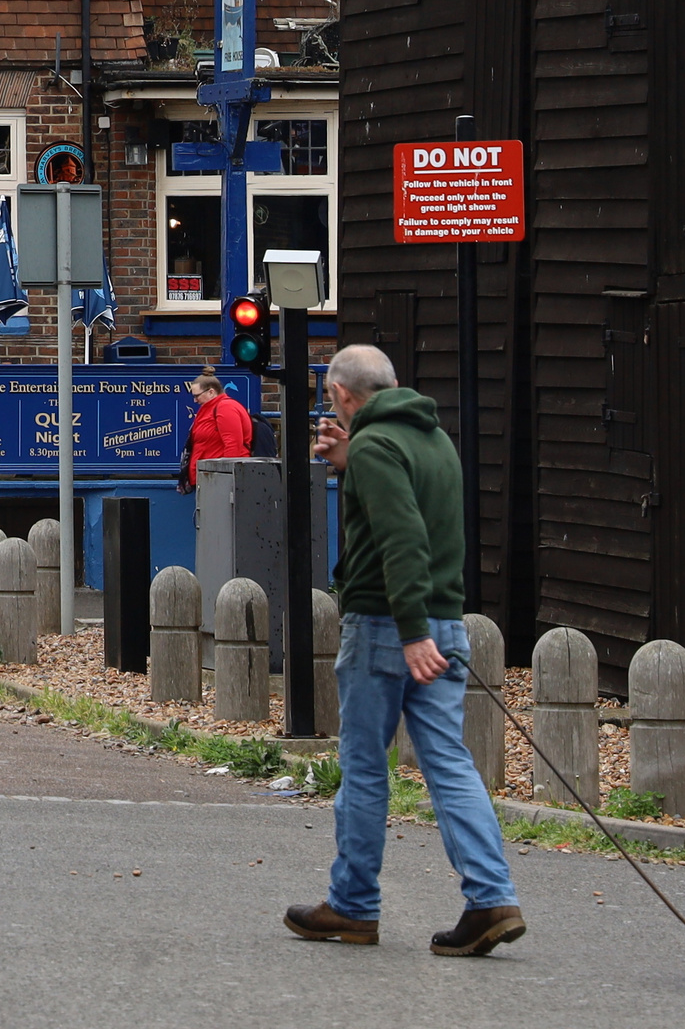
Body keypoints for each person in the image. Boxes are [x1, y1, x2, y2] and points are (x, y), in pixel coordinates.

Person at [285, 344, 525, 955]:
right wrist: (347, 462)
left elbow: (401, 538)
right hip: (448, 622)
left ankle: (353, 906)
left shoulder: (374, 446)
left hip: (388, 624)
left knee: (365, 766)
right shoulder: (433, 440)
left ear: (341, 394)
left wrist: (411, 631)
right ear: (393, 385)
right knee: (448, 762)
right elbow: (418, 512)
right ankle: (491, 897)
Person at [182, 367, 251, 489]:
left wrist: (226, 478)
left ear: (211, 392)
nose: (195, 400)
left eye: (197, 396)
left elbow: (233, 445)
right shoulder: (211, 408)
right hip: (210, 479)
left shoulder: (225, 407)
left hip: (218, 481)